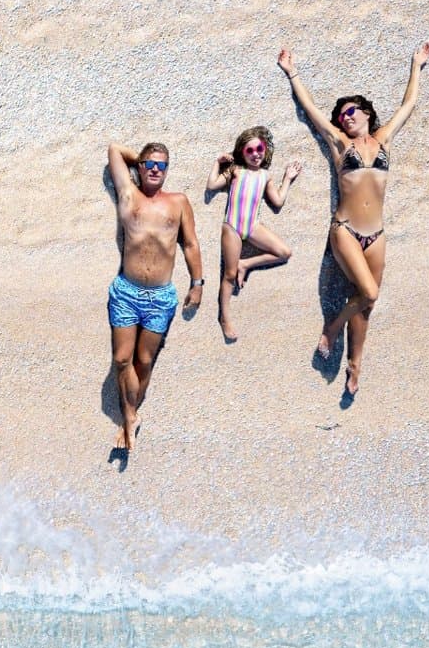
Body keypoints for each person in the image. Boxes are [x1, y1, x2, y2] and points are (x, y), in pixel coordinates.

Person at [278, 42, 429, 394]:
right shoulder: (338, 144)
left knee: (367, 304)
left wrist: (415, 66)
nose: (345, 117)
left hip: (376, 234)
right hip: (345, 230)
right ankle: (331, 329)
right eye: (342, 114)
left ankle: (354, 365)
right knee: (369, 290)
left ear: (366, 114)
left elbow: (408, 106)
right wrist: (292, 72)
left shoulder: (383, 140)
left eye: (351, 111)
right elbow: (312, 111)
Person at [104, 141, 203, 453]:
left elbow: (190, 243)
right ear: (141, 167)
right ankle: (130, 416)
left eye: (163, 166)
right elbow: (114, 150)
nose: (157, 170)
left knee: (144, 361)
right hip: (126, 292)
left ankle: (128, 420)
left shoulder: (178, 202)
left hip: (160, 296)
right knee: (122, 359)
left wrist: (197, 283)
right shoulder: (129, 194)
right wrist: (142, 162)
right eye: (151, 165)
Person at [205, 127, 301, 343]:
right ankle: (224, 316)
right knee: (228, 275)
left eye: (260, 149)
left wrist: (287, 178)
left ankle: (246, 264)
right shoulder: (236, 171)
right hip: (232, 227)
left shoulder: (266, 176)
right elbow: (211, 185)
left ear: (264, 150)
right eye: (250, 150)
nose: (256, 154)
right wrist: (217, 163)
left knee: (284, 252)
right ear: (242, 152)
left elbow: (277, 201)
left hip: (252, 226)